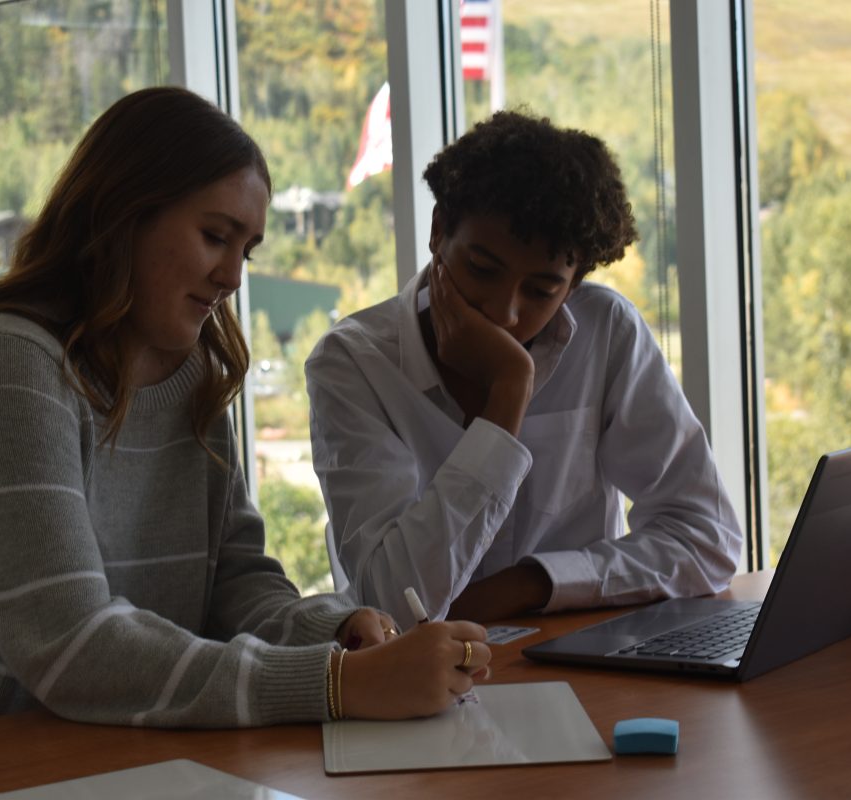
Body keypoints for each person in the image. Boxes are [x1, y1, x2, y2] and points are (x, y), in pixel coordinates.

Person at [0, 87, 490, 743]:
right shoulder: (5, 371)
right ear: (120, 214)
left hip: (106, 759)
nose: (235, 275)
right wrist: (337, 684)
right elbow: (70, 645)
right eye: (215, 236)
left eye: (248, 249)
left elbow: (234, 587)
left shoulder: (189, 378)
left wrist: (335, 631)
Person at [306, 109, 743, 630]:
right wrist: (508, 395)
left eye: (541, 291)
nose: (504, 312)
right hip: (416, 685)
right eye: (481, 270)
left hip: (579, 659)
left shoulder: (606, 330)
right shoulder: (354, 363)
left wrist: (532, 584)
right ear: (438, 230)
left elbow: (707, 537)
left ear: (574, 283)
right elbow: (395, 605)